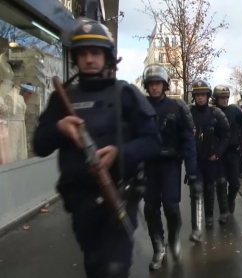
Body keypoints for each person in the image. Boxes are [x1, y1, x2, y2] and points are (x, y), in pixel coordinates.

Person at [32, 19, 162, 278]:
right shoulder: (62, 98)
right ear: (75, 58)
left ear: (106, 57)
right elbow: (39, 144)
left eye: (95, 53)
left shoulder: (125, 93)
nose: (89, 59)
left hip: (120, 196)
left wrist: (119, 152)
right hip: (80, 202)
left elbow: (152, 141)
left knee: (114, 269)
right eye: (83, 53)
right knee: (94, 266)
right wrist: (59, 128)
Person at [142, 64, 198, 270]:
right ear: (147, 86)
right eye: (151, 84)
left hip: (171, 165)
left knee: (172, 207)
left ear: (164, 85)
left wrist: (192, 171)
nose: (154, 87)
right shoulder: (141, 108)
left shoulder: (177, 108)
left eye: (158, 83)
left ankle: (174, 239)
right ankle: (159, 246)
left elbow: (188, 142)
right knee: (150, 208)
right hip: (149, 166)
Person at [189, 80, 230, 230]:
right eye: (197, 95)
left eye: (203, 94)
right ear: (194, 96)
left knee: (210, 188)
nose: (200, 98)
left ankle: (209, 217)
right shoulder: (189, 113)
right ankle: (196, 224)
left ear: (208, 96)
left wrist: (218, 153)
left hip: (211, 159)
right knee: (196, 190)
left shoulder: (215, 113)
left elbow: (226, 134)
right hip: (195, 160)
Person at [213, 85, 242, 218]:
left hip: (233, 152)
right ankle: (224, 211)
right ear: (216, 98)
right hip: (219, 154)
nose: (225, 100)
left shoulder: (234, 111)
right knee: (221, 183)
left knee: (235, 184)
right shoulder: (213, 112)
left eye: (226, 97)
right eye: (222, 97)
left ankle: (230, 201)